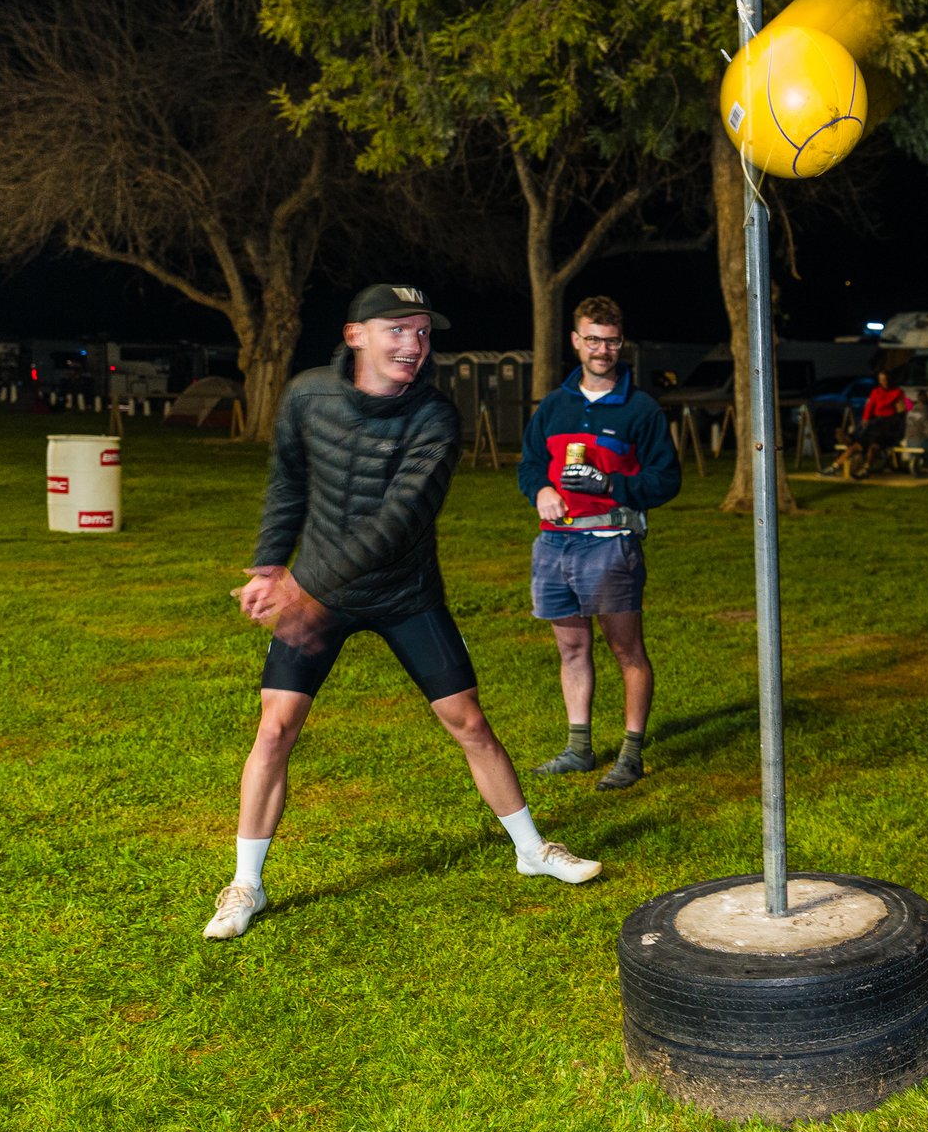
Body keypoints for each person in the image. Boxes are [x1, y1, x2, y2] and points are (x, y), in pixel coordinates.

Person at [207, 285, 595, 941]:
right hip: (318, 593)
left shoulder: (437, 416)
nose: (414, 344)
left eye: (422, 332)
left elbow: (399, 520)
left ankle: (532, 849)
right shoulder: (307, 395)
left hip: (403, 589)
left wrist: (301, 583)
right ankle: (247, 883)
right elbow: (288, 483)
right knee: (275, 728)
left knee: (467, 719)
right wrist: (273, 564)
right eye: (399, 329)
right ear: (356, 334)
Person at [519, 296, 682, 791]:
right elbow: (528, 464)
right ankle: (579, 749)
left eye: (610, 340)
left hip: (611, 542)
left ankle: (630, 755)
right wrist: (541, 490)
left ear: (621, 342)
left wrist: (614, 488)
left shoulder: (640, 408)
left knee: (626, 650)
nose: (602, 349)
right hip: (555, 545)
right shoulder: (554, 405)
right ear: (576, 341)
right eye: (592, 339)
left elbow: (666, 479)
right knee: (572, 649)